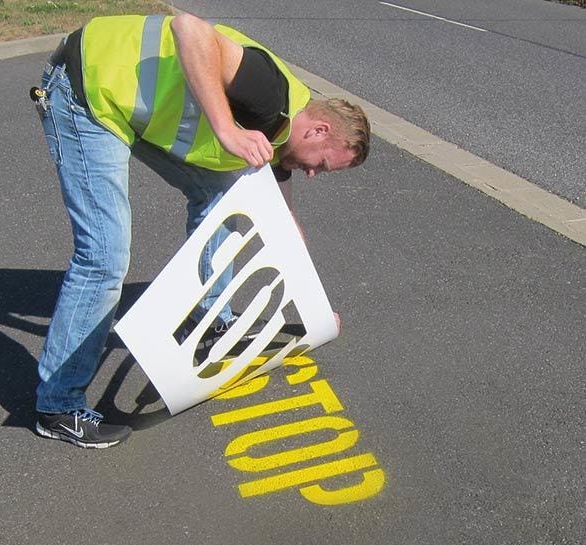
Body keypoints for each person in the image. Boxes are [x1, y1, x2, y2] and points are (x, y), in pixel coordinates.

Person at [33, 13, 370, 449]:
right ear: (319, 129)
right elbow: (189, 27)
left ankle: (211, 324)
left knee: (221, 199)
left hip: (129, 105)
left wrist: (316, 312)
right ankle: (57, 405)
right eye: (321, 163)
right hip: (86, 92)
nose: (311, 173)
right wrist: (227, 129)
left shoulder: (286, 131)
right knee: (104, 255)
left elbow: (283, 225)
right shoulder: (271, 96)